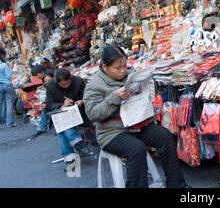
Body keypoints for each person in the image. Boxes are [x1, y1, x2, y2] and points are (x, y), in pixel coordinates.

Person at [83, 45, 188, 188]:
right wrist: (114, 98)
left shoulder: (130, 76)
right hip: (112, 133)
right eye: (117, 68)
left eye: (124, 66)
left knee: (165, 136)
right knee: (136, 149)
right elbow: (92, 113)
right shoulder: (94, 85)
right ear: (104, 67)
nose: (122, 71)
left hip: (136, 126)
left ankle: (177, 184)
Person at [45, 68, 91, 169]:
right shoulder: (50, 86)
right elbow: (49, 103)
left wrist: (81, 101)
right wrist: (62, 105)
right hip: (62, 114)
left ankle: (70, 156)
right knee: (61, 124)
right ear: (57, 82)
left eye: (67, 83)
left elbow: (88, 96)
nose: (66, 86)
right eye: (62, 85)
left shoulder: (78, 81)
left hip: (80, 113)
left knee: (61, 128)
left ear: (70, 78)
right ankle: (77, 143)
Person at [32, 69, 54, 138]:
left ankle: (43, 128)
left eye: (49, 80)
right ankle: (42, 128)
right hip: (53, 103)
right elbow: (48, 98)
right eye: (46, 81)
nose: (48, 82)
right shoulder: (48, 87)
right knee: (44, 109)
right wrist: (45, 103)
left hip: (59, 103)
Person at [0, 48, 15, 127]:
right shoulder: (4, 65)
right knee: (9, 103)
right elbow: (9, 76)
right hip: (7, 84)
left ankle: (1, 120)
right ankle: (9, 123)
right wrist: (10, 68)